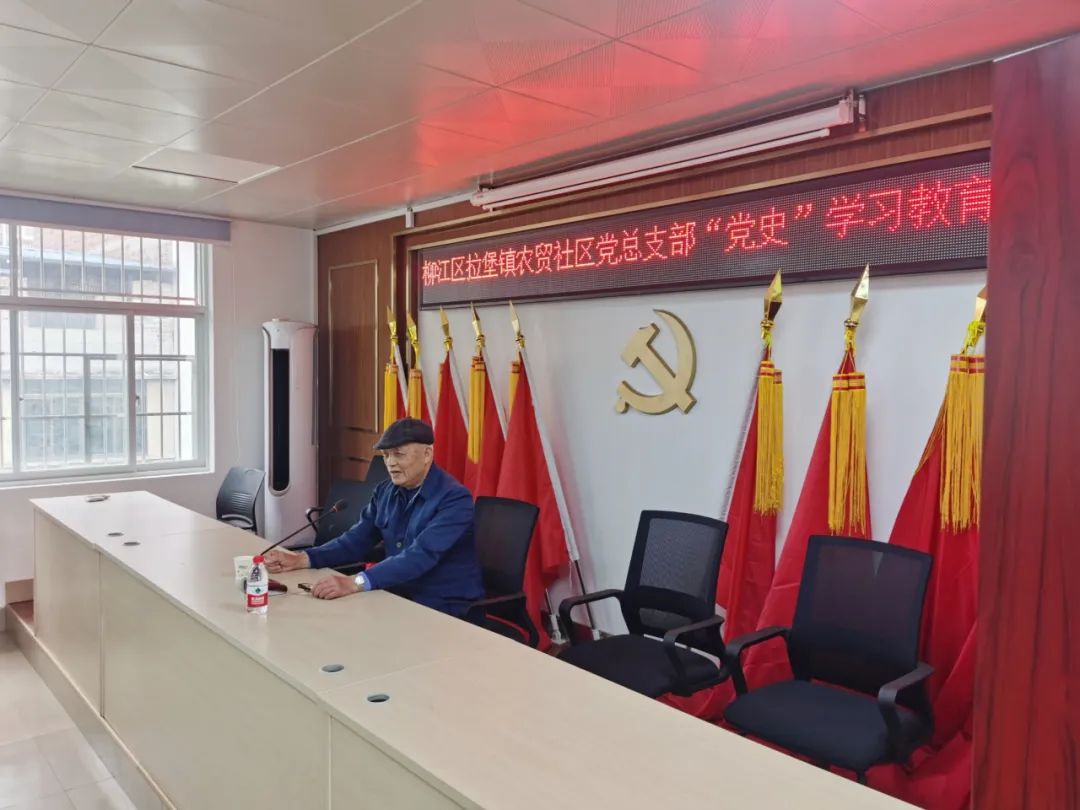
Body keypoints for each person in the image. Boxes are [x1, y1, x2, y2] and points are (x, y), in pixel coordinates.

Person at [264, 418, 483, 615]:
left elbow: (421, 554)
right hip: (395, 596)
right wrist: (302, 559)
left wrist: (355, 582)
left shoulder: (454, 499)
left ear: (427, 454)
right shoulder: (385, 491)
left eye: (399, 454)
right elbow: (355, 541)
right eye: (386, 455)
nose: (390, 463)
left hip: (443, 607)